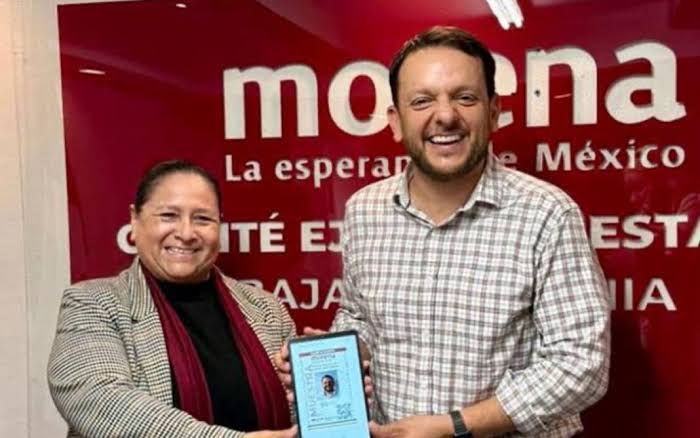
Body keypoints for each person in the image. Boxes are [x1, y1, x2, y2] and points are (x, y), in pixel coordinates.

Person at [278, 26, 610, 438]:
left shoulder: (547, 213)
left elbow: (581, 364)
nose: (446, 115)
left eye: (465, 97)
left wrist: (456, 427)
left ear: (493, 112)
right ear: (396, 122)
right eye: (422, 101)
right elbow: (361, 317)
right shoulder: (364, 210)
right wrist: (336, 354)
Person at [48, 160, 297, 438]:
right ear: (134, 220)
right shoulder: (91, 304)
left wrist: (321, 374)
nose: (186, 233)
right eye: (168, 216)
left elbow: (303, 419)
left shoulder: (267, 309)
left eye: (203, 219)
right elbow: (102, 402)